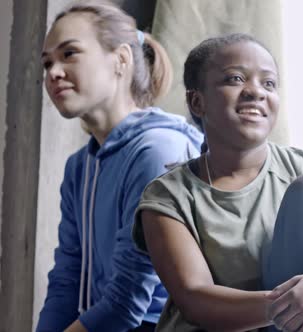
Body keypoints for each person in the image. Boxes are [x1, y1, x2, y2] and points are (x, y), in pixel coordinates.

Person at [132, 33, 303, 331]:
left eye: (268, 83)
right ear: (197, 102)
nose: (256, 92)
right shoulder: (167, 197)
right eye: (235, 79)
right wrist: (300, 302)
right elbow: (195, 299)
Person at [37, 2, 203, 332]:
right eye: (47, 63)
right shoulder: (79, 167)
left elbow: (128, 303)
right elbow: (66, 280)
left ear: (121, 60)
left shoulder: (158, 150)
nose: (53, 72)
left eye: (69, 54)